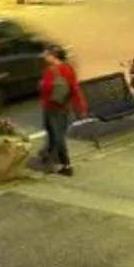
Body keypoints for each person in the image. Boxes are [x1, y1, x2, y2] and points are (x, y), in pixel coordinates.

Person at [39, 45, 87, 175]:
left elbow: (45, 89)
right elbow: (74, 88)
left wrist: (43, 84)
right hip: (64, 106)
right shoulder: (68, 68)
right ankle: (49, 156)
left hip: (52, 107)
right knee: (55, 132)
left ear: (53, 56)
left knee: (57, 135)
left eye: (47, 54)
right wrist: (80, 106)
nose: (45, 56)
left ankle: (65, 164)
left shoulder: (50, 71)